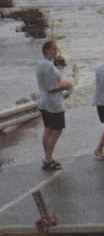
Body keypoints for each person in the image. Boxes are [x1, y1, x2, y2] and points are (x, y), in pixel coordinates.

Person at [36, 40, 73, 171]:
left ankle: (48, 158)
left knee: (48, 129)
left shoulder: (40, 63)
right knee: (57, 130)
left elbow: (46, 85)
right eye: (53, 49)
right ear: (46, 50)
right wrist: (66, 85)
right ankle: (48, 159)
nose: (55, 52)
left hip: (43, 101)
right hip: (53, 102)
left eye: (56, 49)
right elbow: (51, 88)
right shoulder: (48, 66)